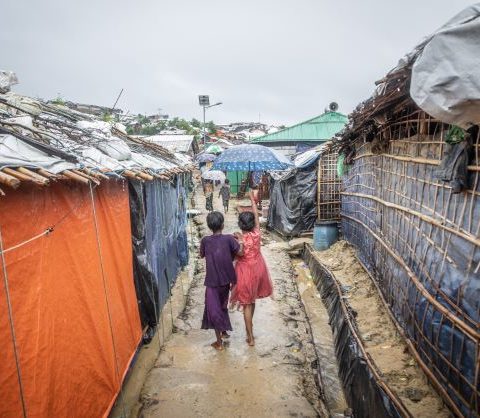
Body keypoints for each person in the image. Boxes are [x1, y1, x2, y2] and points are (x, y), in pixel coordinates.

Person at [230, 191, 273, 346]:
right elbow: (256, 216)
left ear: (240, 225)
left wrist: (240, 240)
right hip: (258, 269)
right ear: (252, 224)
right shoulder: (257, 233)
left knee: (246, 304)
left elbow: (236, 255)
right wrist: (252, 201)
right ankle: (251, 328)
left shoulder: (239, 239)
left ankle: (250, 336)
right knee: (252, 300)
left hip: (245, 272)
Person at [200, 211, 243, 350]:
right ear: (223, 225)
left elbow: (201, 254)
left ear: (208, 226)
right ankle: (224, 332)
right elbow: (240, 252)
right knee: (222, 305)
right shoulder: (229, 240)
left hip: (212, 282)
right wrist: (240, 239)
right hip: (226, 281)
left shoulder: (205, 241)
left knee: (214, 310)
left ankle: (219, 342)